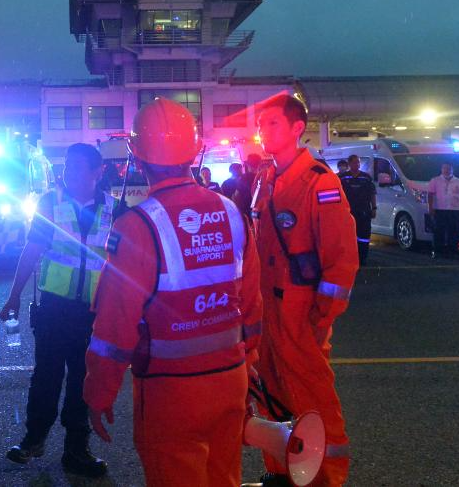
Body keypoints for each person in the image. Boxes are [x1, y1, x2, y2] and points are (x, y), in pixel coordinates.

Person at [83, 98, 262, 487]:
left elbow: (115, 326)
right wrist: (248, 365)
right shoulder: (233, 214)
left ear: (137, 156)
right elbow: (252, 307)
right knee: (224, 478)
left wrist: (99, 392)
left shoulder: (136, 226)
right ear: (195, 152)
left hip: (170, 392)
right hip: (231, 382)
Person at [249, 92, 358, 486]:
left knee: (313, 400)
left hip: (299, 313)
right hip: (268, 311)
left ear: (297, 128)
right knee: (270, 394)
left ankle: (325, 477)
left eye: (272, 123)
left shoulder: (319, 181)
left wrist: (320, 317)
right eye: (261, 125)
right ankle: (281, 471)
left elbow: (341, 258)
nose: (263, 131)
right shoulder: (266, 178)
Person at [0, 143, 117, 478]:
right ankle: (33, 439)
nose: (69, 173)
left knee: (83, 381)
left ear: (98, 171)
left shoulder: (115, 209)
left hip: (94, 312)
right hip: (54, 307)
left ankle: (77, 449)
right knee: (45, 377)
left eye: (78, 166)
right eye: (67, 166)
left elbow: (125, 262)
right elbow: (32, 249)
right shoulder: (50, 202)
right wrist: (14, 296)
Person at [339, 154, 376, 265]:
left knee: (364, 236)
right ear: (349, 163)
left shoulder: (366, 177)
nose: (357, 164)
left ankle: (362, 258)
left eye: (358, 162)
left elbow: (372, 193)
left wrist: (374, 208)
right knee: (348, 236)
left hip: (364, 212)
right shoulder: (343, 178)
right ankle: (350, 257)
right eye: (355, 162)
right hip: (348, 212)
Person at [427, 162, 459, 258]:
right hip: (440, 209)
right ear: (441, 169)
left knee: (454, 231)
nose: (446, 170)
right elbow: (430, 195)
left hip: (455, 210)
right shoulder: (435, 181)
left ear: (452, 170)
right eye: (444, 168)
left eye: (449, 168)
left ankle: (452, 251)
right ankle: (438, 251)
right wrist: (430, 208)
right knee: (439, 231)